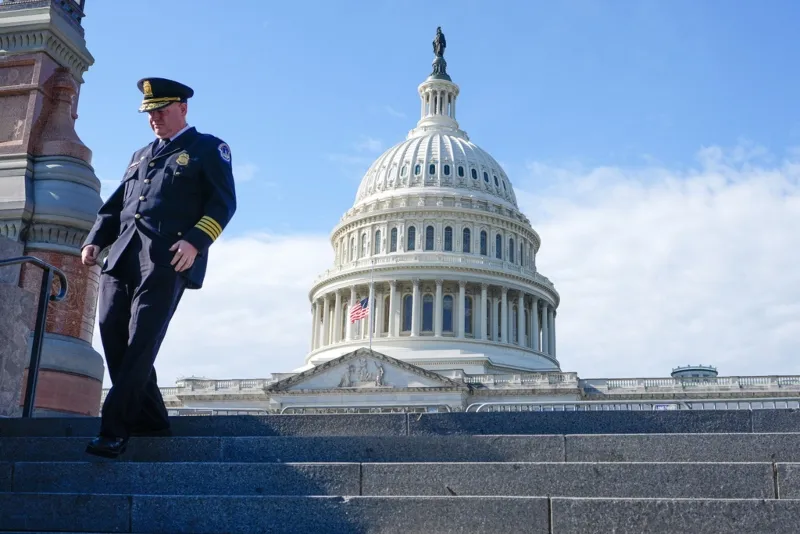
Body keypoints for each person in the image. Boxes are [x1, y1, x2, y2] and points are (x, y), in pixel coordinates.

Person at [80, 77, 237, 458]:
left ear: (183, 108)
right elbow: (116, 206)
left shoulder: (207, 148)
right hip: (121, 255)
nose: (155, 119)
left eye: (161, 111)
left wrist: (196, 242)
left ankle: (114, 428)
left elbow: (223, 204)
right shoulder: (140, 154)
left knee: (142, 339)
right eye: (150, 113)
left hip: (167, 258)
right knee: (110, 329)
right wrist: (95, 239)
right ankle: (152, 417)